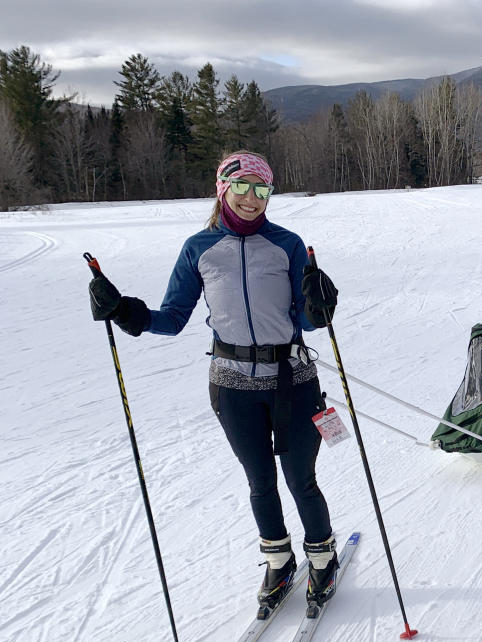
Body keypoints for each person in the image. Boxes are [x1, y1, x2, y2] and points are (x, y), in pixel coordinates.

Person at [88, 151, 342, 614]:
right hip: (232, 385)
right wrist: (125, 311)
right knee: (260, 482)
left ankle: (323, 556)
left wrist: (320, 305)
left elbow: (305, 320)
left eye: (261, 189)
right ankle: (279, 560)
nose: (251, 199)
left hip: (293, 379)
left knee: (300, 479)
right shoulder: (198, 248)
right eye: (241, 187)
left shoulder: (286, 243)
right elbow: (171, 319)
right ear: (223, 189)